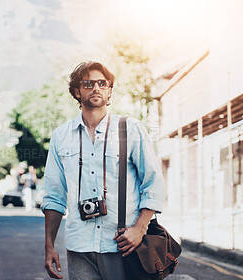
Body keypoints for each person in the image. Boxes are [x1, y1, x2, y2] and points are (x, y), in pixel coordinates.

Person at [41, 61, 166, 280]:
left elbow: (153, 183)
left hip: (122, 245)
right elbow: (54, 196)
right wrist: (49, 245)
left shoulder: (130, 129)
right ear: (77, 92)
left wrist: (139, 228)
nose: (96, 88)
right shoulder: (61, 136)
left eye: (102, 83)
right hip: (79, 246)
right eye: (88, 83)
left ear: (109, 91)